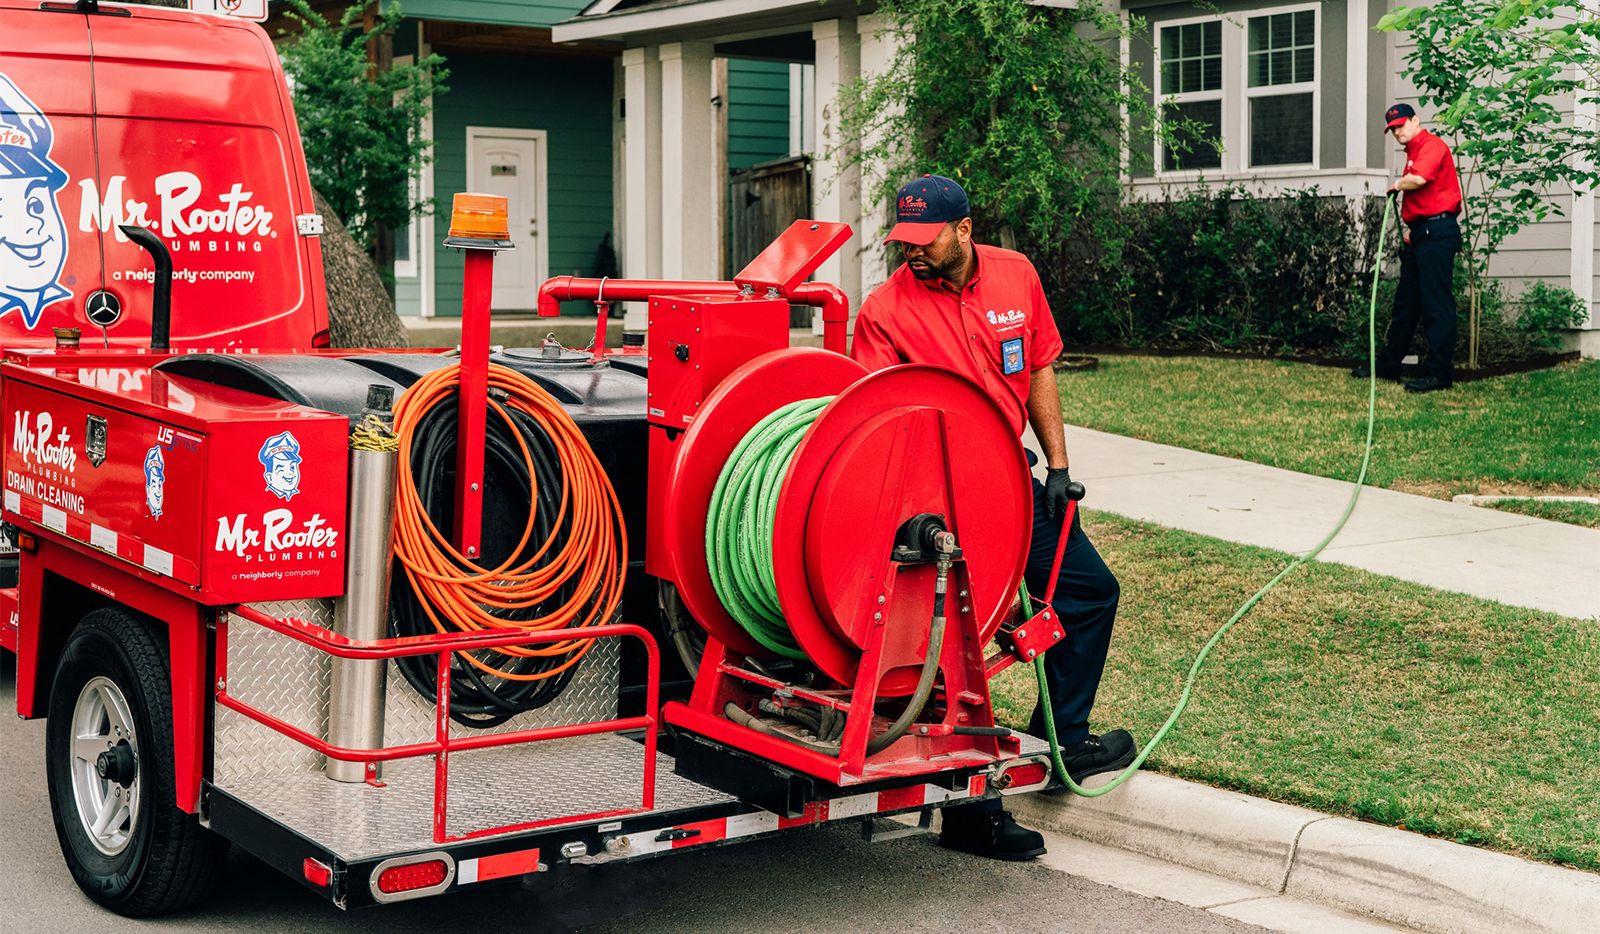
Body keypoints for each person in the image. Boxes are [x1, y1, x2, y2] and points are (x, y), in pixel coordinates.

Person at [850, 174, 1136, 861]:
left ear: (965, 230)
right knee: (957, 648)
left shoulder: (1016, 276)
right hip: (937, 501)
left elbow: (1037, 365)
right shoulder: (884, 311)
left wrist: (1057, 467)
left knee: (1090, 593)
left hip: (1014, 482)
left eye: (926, 240)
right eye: (904, 241)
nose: (912, 253)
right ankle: (972, 813)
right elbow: (875, 421)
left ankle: (1064, 737)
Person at [1351, 103, 1464, 393]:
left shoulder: (1431, 146)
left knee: (1436, 305)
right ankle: (1389, 367)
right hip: (1421, 235)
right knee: (1406, 305)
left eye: (1402, 125)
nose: (1398, 132)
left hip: (1438, 233)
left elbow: (1419, 180)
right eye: (1393, 129)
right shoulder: (1413, 152)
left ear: (1416, 120)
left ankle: (1439, 375)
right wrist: (1412, 233)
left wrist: (1397, 184)